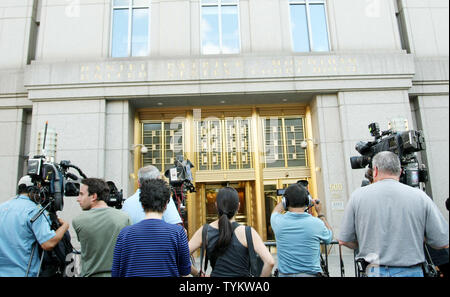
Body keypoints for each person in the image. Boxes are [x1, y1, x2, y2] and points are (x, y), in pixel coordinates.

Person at [338, 151, 449, 277]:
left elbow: (344, 240)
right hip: (411, 271)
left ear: (375, 170)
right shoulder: (420, 197)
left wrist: (364, 243)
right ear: (400, 171)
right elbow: (442, 241)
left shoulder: (357, 196)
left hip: (374, 270)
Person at [112, 178, 191, 277]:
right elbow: (185, 271)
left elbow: (115, 273)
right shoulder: (178, 233)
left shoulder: (124, 234)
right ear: (166, 203)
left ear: (142, 203)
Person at [189, 187, 274, 277]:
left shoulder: (205, 231)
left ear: (216, 205)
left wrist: (197, 274)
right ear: (238, 206)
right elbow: (270, 262)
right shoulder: (247, 232)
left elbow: (180, 257)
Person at [0, 175, 69, 276]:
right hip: (25, 272)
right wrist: (65, 226)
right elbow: (48, 243)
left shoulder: (2, 207)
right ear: (34, 190)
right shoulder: (35, 210)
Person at [72, 178, 131, 277]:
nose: (78, 199)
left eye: (81, 194)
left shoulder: (78, 221)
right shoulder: (124, 218)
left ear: (94, 196)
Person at [271, 183, 333, 277]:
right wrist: (320, 213)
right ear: (308, 200)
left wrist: (284, 201)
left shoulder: (278, 222)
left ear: (285, 202)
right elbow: (329, 237)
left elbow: (276, 211)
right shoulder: (317, 223)